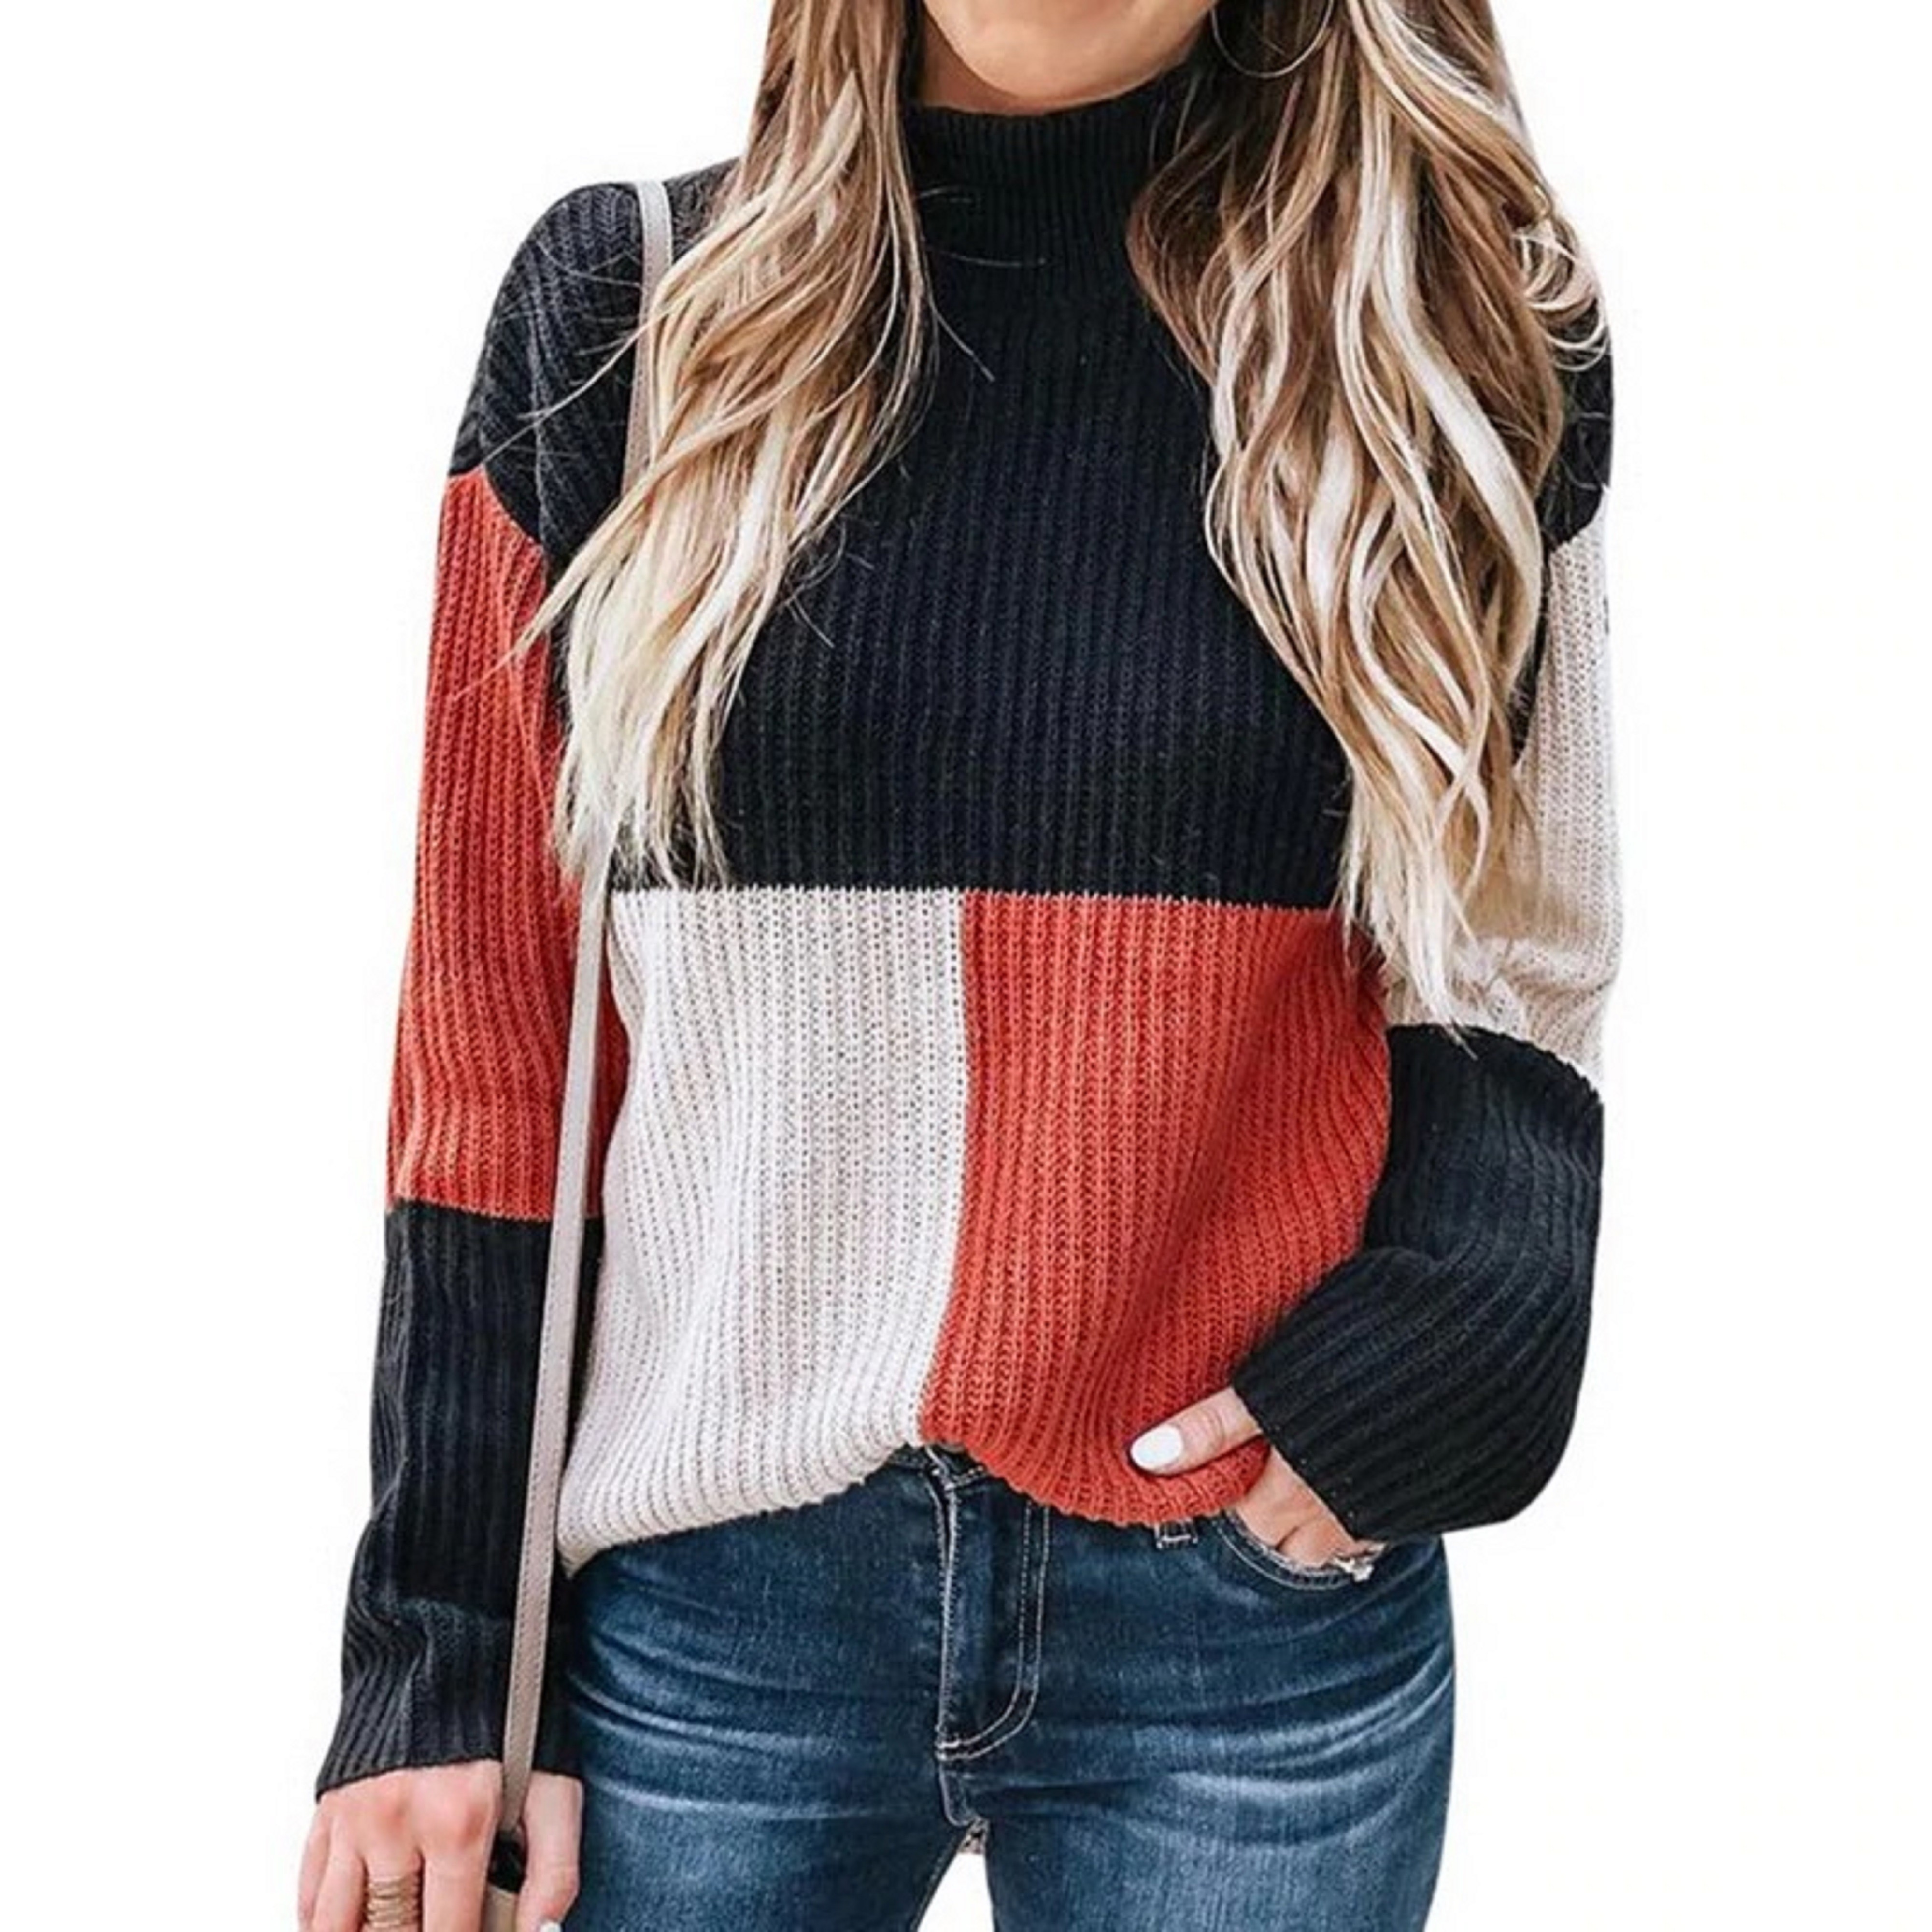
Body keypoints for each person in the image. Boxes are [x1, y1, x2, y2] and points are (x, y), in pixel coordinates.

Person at [299, 2, 1619, 1927]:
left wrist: (1470, 1311)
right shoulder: (626, 307)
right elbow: (500, 1037)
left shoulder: (1455, 333)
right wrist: (434, 1649)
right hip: (708, 1591)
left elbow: (1519, 934)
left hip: (1245, 1605)